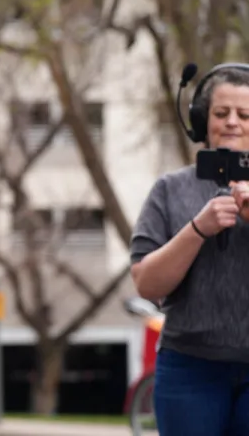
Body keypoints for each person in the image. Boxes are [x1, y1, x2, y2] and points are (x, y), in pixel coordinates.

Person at [131, 65, 249, 435]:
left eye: (244, 115)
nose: (232, 122)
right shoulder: (169, 189)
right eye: (220, 113)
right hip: (188, 369)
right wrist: (197, 228)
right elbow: (147, 285)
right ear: (201, 119)